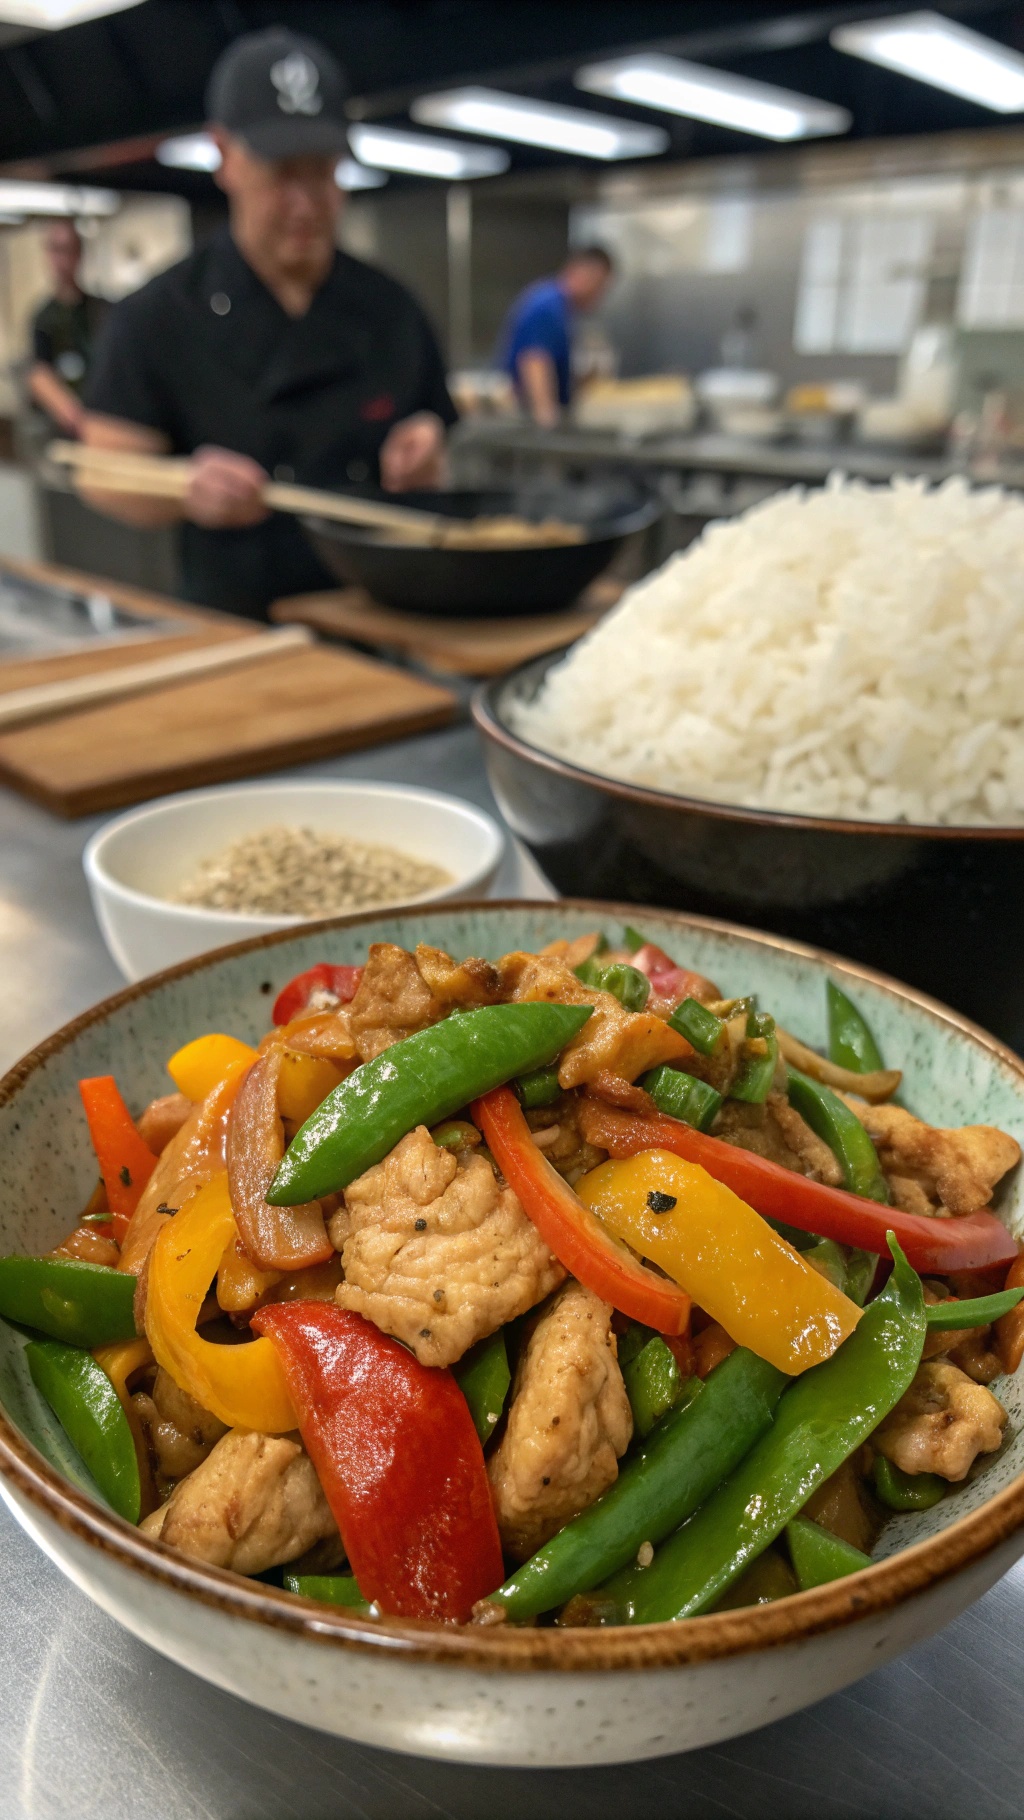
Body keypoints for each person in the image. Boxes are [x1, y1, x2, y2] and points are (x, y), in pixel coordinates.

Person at [81, 27, 456, 617]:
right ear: (224, 156)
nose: (305, 203)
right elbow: (101, 470)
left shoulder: (393, 309)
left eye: (322, 171)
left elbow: (435, 433)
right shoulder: (158, 314)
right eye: (281, 172)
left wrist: (426, 453)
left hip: (381, 622)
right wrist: (184, 488)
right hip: (233, 631)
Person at [499, 247, 614, 427]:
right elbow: (534, 361)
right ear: (584, 275)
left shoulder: (561, 308)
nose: (600, 296)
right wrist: (548, 424)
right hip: (527, 419)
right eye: (600, 287)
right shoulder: (548, 305)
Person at [29, 220, 106, 437]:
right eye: (56, 250)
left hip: (103, 418)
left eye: (68, 250)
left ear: (79, 254)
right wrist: (71, 413)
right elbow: (40, 373)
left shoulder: (101, 310)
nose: (62, 260)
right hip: (66, 428)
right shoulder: (43, 318)